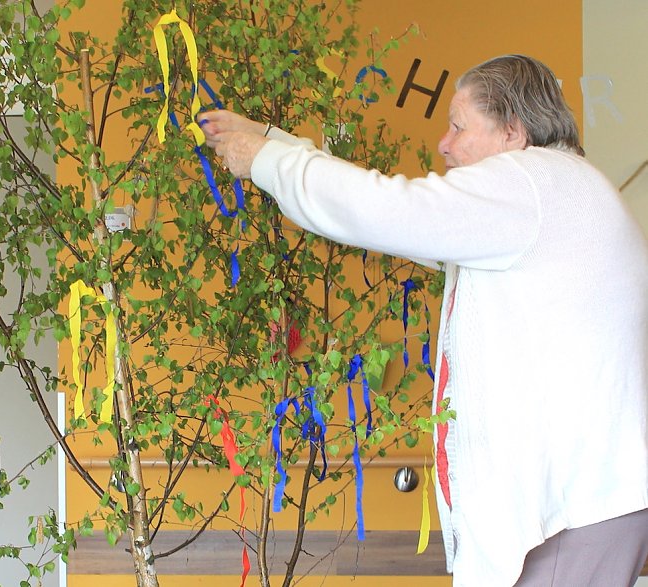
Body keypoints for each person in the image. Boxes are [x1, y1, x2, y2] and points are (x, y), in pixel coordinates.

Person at [198, 54, 648, 586]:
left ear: (512, 131)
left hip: (571, 518)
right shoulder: (551, 194)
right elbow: (400, 217)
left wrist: (265, 159)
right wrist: (274, 143)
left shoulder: (528, 186)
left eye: (459, 126)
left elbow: (381, 209)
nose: (444, 143)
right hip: (585, 509)